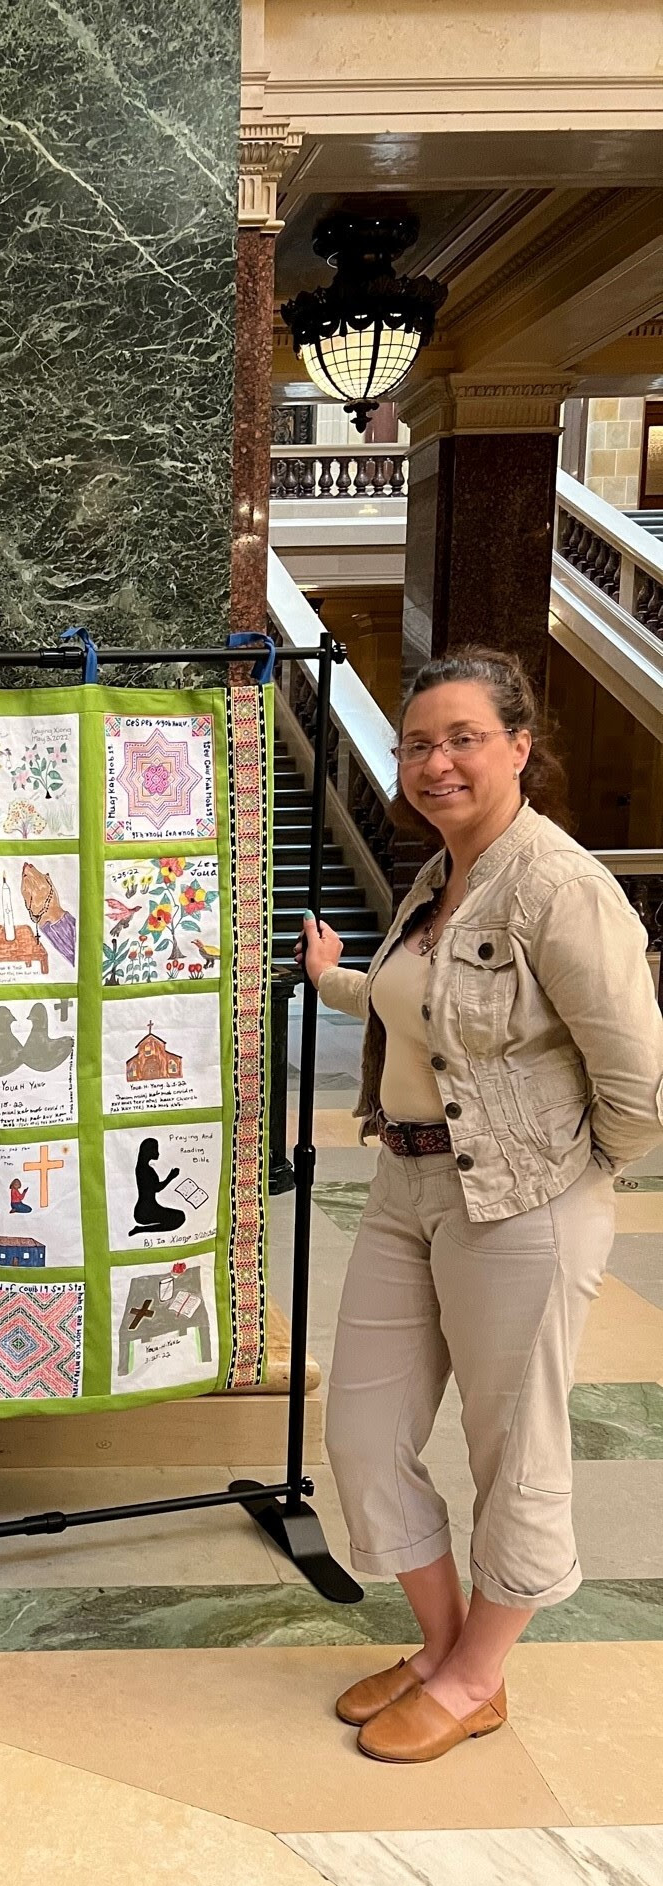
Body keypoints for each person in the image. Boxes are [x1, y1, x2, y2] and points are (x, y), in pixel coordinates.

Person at [298, 649, 663, 1764]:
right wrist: (334, 980)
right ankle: (448, 1651)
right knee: (362, 1431)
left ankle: (475, 1675)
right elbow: (424, 1001)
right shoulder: (441, 878)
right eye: (417, 743)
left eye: (461, 737)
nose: (434, 761)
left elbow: (640, 1079)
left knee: (518, 1445)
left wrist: (574, 1176)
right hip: (408, 1183)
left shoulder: (556, 884)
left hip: (521, 1198)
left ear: (519, 746)